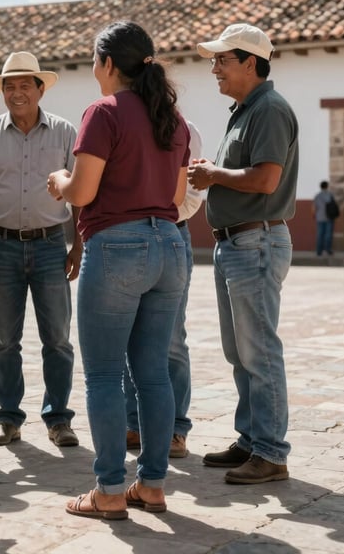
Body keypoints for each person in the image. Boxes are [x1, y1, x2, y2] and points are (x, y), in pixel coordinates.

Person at [48, 21, 189, 519]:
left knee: (105, 374)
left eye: (93, 60)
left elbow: (83, 193)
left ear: (108, 64)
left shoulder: (103, 113)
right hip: (170, 244)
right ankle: (151, 485)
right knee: (153, 372)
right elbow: (175, 197)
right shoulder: (173, 119)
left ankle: (108, 490)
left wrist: (61, 179)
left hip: (116, 244)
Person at [188, 22, 298, 485]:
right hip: (237, 242)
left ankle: (271, 452)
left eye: (222, 60)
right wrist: (215, 174)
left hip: (254, 241)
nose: (214, 68)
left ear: (250, 63)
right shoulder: (245, 109)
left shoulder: (268, 109)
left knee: (259, 351)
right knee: (241, 351)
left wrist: (214, 174)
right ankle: (252, 439)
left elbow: (266, 179)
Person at [0, 51, 81, 448]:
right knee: (4, 341)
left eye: (24, 85)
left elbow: (80, 195)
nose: (16, 93)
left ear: (39, 89)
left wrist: (77, 244)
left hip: (51, 244)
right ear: (2, 92)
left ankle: (59, 419)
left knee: (58, 339)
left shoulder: (66, 132)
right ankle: (8, 419)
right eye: (9, 86)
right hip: (1, 247)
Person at [125, 121, 203, 460]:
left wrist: (151, 208)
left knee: (171, 338)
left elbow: (189, 200)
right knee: (129, 335)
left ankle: (175, 427)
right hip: (127, 237)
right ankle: (135, 423)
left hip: (172, 233)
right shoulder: (124, 127)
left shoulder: (186, 132)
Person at [312, 181, 335, 256]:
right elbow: (333, 205)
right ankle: (328, 250)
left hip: (319, 217)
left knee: (320, 234)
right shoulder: (330, 195)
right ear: (327, 186)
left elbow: (313, 207)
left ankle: (319, 251)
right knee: (328, 235)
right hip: (329, 217)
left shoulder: (317, 195)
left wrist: (314, 215)